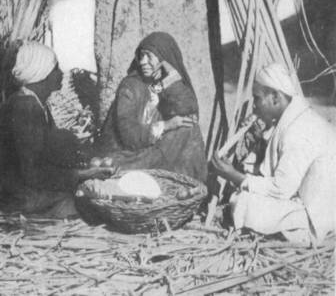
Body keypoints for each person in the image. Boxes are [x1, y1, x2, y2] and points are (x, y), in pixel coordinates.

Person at [211, 62, 336, 245]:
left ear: (275, 98)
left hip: (319, 216)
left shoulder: (298, 131)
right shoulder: (295, 118)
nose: (254, 106)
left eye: (257, 99)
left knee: (245, 201)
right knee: (246, 197)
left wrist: (234, 176)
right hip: (312, 202)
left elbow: (280, 190)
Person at [0, 41, 116, 218]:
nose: (61, 73)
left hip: (23, 189)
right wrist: (81, 174)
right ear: (42, 74)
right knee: (84, 206)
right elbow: (32, 173)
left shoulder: (36, 103)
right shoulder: (25, 107)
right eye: (56, 68)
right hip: (18, 197)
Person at [95, 32, 207, 182]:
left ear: (163, 58)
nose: (143, 62)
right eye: (141, 56)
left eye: (149, 56)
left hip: (153, 152)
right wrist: (166, 125)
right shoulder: (130, 87)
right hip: (128, 155)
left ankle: (187, 187)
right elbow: (129, 136)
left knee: (190, 129)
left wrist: (171, 79)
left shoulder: (164, 84)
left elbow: (189, 110)